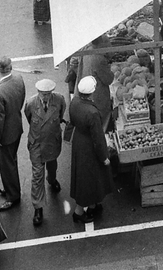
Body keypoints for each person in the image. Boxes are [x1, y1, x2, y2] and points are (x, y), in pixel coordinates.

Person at [69, 75, 112, 223]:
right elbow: (98, 138)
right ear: (92, 92)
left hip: (79, 142)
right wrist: (104, 157)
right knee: (88, 179)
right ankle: (79, 211)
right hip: (89, 147)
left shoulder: (74, 102)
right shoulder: (92, 113)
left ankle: (93, 205)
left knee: (86, 176)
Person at [25, 78, 65, 227]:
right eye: (43, 94)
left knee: (53, 164)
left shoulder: (59, 100)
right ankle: (38, 208)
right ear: (38, 92)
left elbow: (61, 115)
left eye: (48, 94)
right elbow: (29, 117)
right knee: (37, 176)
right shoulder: (30, 104)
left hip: (52, 141)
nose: (45, 97)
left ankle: (52, 179)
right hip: (37, 144)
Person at [0, 57, 26, 210]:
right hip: (17, 126)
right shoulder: (19, 79)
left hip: (6, 134)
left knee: (6, 165)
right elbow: (22, 98)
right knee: (12, 160)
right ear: (11, 67)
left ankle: (13, 195)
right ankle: (11, 187)